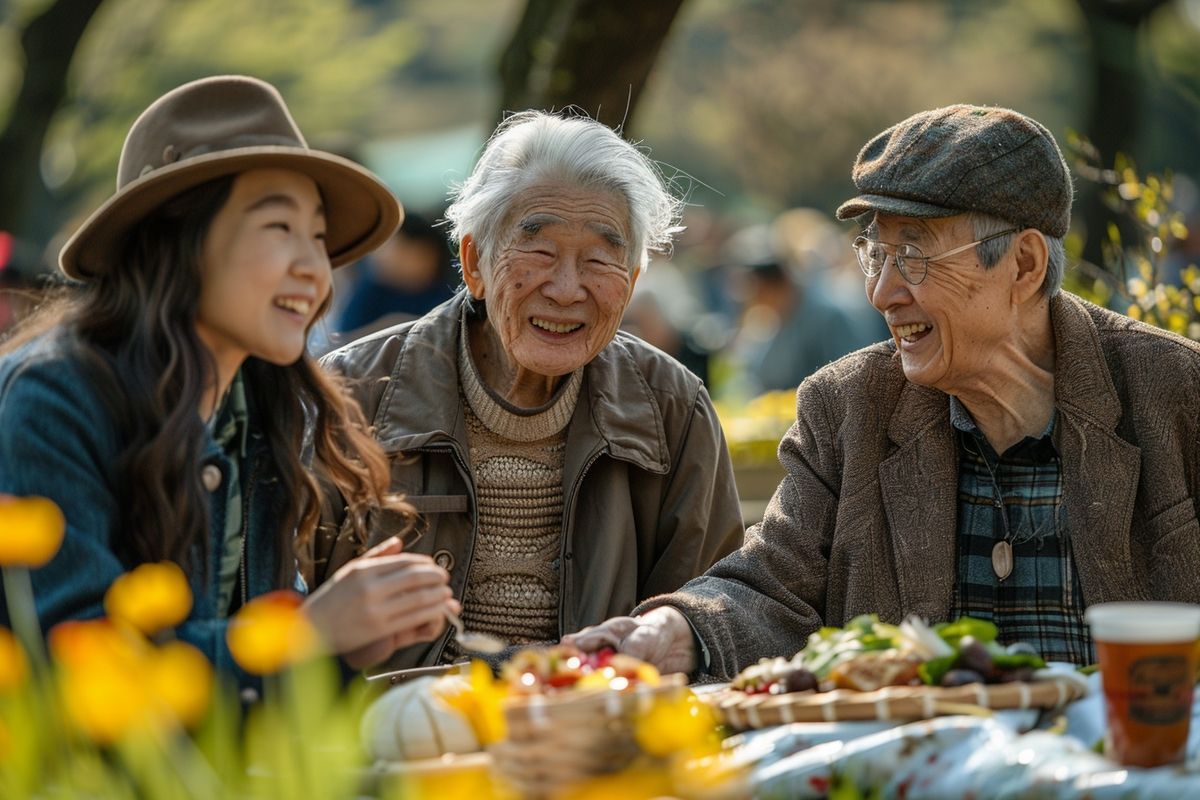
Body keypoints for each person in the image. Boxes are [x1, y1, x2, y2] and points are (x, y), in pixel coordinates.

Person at [567, 104, 1200, 679]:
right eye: (877, 254)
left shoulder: (1174, 393)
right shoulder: (850, 408)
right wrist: (681, 631)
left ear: (1026, 265)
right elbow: (773, 582)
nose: (882, 293)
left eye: (916, 256)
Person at [0, 76, 457, 689]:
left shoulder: (259, 402)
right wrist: (311, 633)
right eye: (278, 227)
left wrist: (348, 647)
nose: (313, 266)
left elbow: (248, 687)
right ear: (176, 242)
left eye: (319, 237)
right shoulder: (51, 398)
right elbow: (72, 674)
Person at [312, 110, 744, 672]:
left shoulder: (672, 408)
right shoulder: (350, 397)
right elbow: (288, 632)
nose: (567, 289)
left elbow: (707, 616)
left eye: (599, 259)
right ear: (474, 264)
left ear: (632, 283)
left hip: (594, 736)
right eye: (538, 251)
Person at [334, 211, 457, 339]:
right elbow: (347, 336)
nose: (383, 256)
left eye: (409, 255)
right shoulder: (371, 291)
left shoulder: (444, 296)